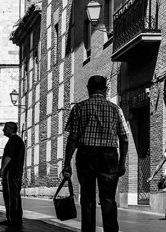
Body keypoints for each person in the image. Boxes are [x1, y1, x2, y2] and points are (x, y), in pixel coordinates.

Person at [62, 75, 129, 232]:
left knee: (87, 198)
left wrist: (67, 164)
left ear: (88, 88)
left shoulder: (78, 108)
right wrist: (122, 163)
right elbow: (124, 138)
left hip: (86, 155)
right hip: (109, 155)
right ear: (105, 89)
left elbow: (73, 138)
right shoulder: (115, 109)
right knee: (108, 199)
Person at [0, 122, 25, 227]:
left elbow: (8, 156)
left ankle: (13, 219)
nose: (3, 130)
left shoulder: (13, 140)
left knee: (11, 195)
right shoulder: (18, 140)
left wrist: (2, 169)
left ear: (11, 128)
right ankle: (15, 218)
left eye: (5, 128)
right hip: (17, 171)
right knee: (15, 194)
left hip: (12, 171)